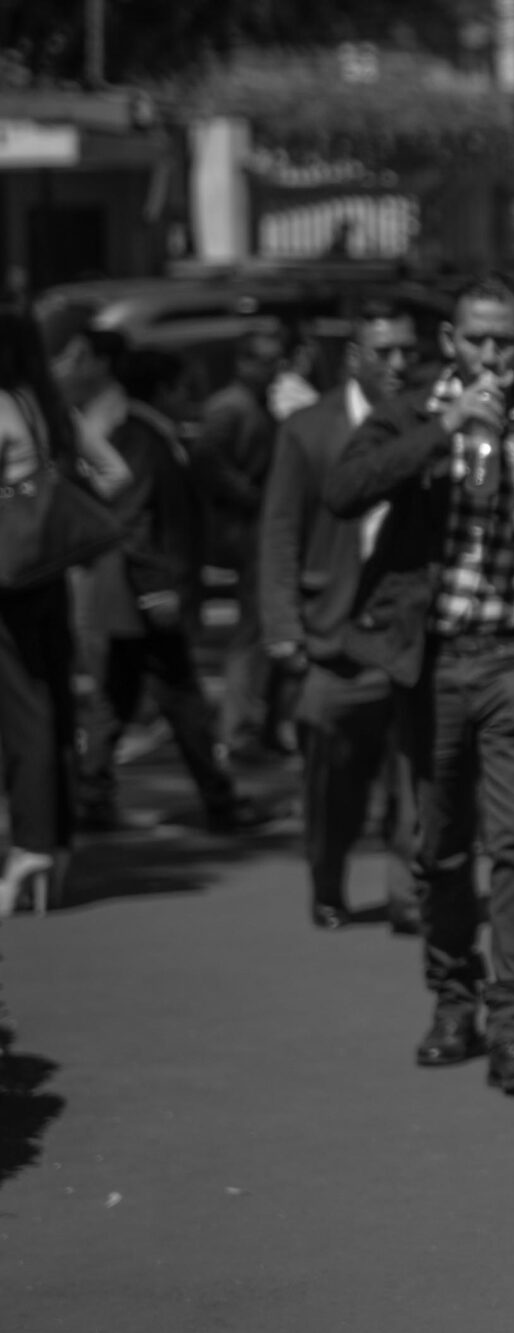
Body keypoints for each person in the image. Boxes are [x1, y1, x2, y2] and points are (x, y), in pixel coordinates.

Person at [322, 274, 514, 1096]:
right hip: (436, 663)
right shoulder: (411, 413)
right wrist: (444, 428)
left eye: (505, 340)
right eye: (476, 339)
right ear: (451, 342)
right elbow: (342, 492)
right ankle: (454, 997)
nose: (491, 354)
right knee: (442, 845)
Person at [50, 320, 267, 837]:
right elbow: (133, 521)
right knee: (180, 697)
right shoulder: (142, 439)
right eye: (184, 389)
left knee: (119, 698)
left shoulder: (148, 436)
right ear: (163, 390)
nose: (192, 401)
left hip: (135, 597)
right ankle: (218, 800)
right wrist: (155, 589)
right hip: (141, 597)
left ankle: (94, 794)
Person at [259, 299, 422, 933]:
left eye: (408, 350)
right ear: (355, 358)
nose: (399, 363)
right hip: (335, 637)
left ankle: (409, 895)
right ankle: (328, 879)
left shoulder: (432, 422)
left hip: (411, 636)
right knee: (334, 782)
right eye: (385, 352)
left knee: (417, 775)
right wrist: (283, 627)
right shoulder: (309, 430)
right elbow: (280, 531)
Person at [0, 309, 106, 914]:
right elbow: (112, 473)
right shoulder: (44, 404)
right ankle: (56, 843)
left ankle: (31, 846)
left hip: (8, 579)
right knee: (51, 703)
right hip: (44, 574)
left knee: (24, 714)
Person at [197, 322, 290, 759]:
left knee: (267, 627)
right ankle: (238, 728)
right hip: (245, 531)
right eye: (265, 361)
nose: (273, 371)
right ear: (244, 362)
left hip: (259, 528)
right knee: (253, 630)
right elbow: (207, 462)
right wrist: (250, 496)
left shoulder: (258, 404)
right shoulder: (229, 407)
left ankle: (261, 724)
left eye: (277, 362)